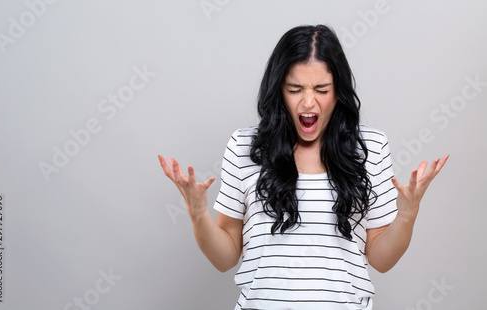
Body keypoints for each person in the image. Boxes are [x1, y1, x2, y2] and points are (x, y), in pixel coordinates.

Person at [158, 24, 448, 310]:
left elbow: (382, 260)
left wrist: (408, 214)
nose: (308, 102)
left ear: (338, 92)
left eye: (322, 89)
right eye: (295, 89)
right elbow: (225, 259)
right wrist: (197, 213)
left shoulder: (369, 148)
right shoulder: (245, 146)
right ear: (279, 90)